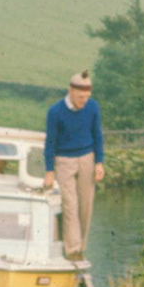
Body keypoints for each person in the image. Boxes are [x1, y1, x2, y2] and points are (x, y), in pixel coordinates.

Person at [43, 71, 104, 261]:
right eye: (80, 97)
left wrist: (99, 162)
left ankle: (81, 247)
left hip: (87, 157)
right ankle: (72, 250)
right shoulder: (55, 112)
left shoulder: (93, 107)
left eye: (87, 97)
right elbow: (50, 142)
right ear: (71, 91)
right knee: (70, 204)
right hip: (64, 161)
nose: (84, 101)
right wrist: (49, 171)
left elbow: (98, 135)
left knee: (85, 204)